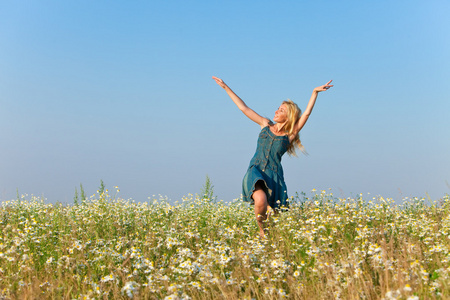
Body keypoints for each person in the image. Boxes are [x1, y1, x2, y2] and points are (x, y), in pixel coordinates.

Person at [212, 76, 333, 238]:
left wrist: (314, 93)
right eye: (278, 108)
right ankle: (262, 231)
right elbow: (244, 108)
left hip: (274, 175)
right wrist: (225, 87)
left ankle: (267, 233)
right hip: (255, 170)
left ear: (289, 116)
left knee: (274, 215)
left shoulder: (289, 135)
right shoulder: (265, 124)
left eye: (281, 110)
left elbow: (306, 114)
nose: (276, 111)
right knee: (260, 199)